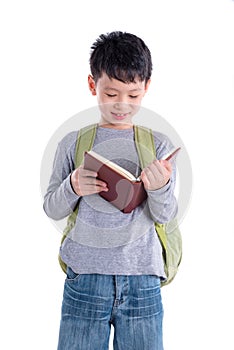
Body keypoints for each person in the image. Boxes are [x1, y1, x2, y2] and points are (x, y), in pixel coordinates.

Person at [43, 31, 178, 350]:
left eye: (133, 95)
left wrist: (158, 188)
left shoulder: (158, 144)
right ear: (93, 85)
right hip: (85, 279)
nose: (122, 105)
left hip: (143, 280)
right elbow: (52, 207)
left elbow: (166, 215)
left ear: (146, 87)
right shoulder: (73, 142)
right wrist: (73, 186)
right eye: (111, 93)